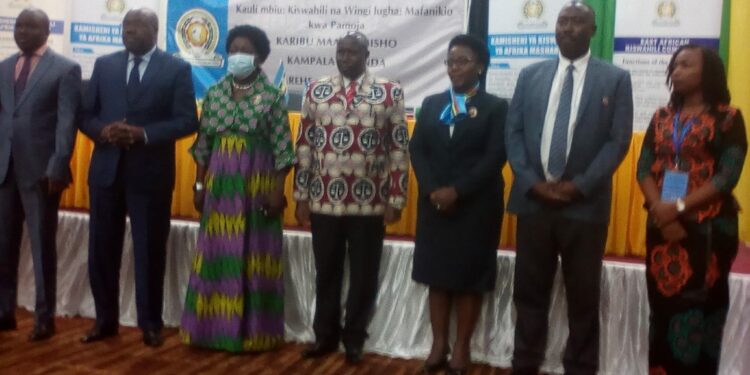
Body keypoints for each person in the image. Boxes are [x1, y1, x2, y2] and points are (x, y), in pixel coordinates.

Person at [505, 2, 633, 374]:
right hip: (534, 203)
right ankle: (525, 361)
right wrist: (531, 183)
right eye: (563, 21)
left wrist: (579, 187)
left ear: (593, 30)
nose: (568, 28)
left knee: (583, 295)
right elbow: (513, 134)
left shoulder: (614, 79)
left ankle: (580, 365)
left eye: (578, 22)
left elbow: (618, 141)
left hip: (584, 206)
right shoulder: (530, 75)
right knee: (529, 292)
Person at [79, 8, 198, 347]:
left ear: (155, 29)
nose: (128, 31)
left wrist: (143, 134)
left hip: (150, 176)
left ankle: (150, 323)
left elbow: (187, 121)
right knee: (101, 250)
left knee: (149, 250)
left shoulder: (176, 68)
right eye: (125, 26)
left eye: (136, 26)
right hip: (106, 172)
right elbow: (85, 114)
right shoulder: (105, 65)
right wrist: (103, 131)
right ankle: (105, 321)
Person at [293, 31, 409, 364]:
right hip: (322, 199)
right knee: (325, 271)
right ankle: (324, 337)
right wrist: (301, 195)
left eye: (352, 52)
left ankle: (354, 339)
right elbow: (304, 145)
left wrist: (396, 199)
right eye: (341, 52)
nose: (345, 57)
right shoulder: (318, 90)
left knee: (363, 273)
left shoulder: (388, 92)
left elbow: (398, 147)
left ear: (366, 54)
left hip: (369, 202)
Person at [179, 25, 295, 353]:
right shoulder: (214, 93)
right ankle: (210, 329)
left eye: (245, 50)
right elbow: (204, 145)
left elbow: (283, 150)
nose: (237, 55)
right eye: (233, 49)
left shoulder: (272, 97)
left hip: (258, 185)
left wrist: (277, 191)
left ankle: (256, 333)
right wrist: (199, 184)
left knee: (255, 254)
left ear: (259, 57)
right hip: (220, 188)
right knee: (217, 252)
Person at [637, 45, 747, 375]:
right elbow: (643, 168)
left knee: (700, 310)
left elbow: (728, 175)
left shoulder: (728, 118)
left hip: (709, 228)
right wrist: (661, 209)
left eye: (686, 65)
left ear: (708, 72)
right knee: (662, 309)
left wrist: (679, 207)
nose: (677, 71)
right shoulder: (661, 117)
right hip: (662, 225)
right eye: (674, 65)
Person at [409, 34, 507, 375]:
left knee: (469, 277)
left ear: (480, 65)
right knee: (437, 275)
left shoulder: (496, 107)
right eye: (450, 61)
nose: (455, 67)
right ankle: (438, 345)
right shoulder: (433, 103)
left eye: (463, 61)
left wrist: (458, 192)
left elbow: (495, 156)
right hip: (435, 204)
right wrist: (433, 189)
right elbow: (417, 149)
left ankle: (462, 348)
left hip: (476, 206)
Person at [0, 7, 81, 341]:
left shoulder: (65, 69)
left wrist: (58, 165)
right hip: (4, 169)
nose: (23, 31)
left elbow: (67, 123)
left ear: (47, 30)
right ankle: (4, 312)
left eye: (31, 25)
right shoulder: (4, 67)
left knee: (41, 244)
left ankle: (44, 318)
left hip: (42, 173)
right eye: (19, 25)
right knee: (3, 246)